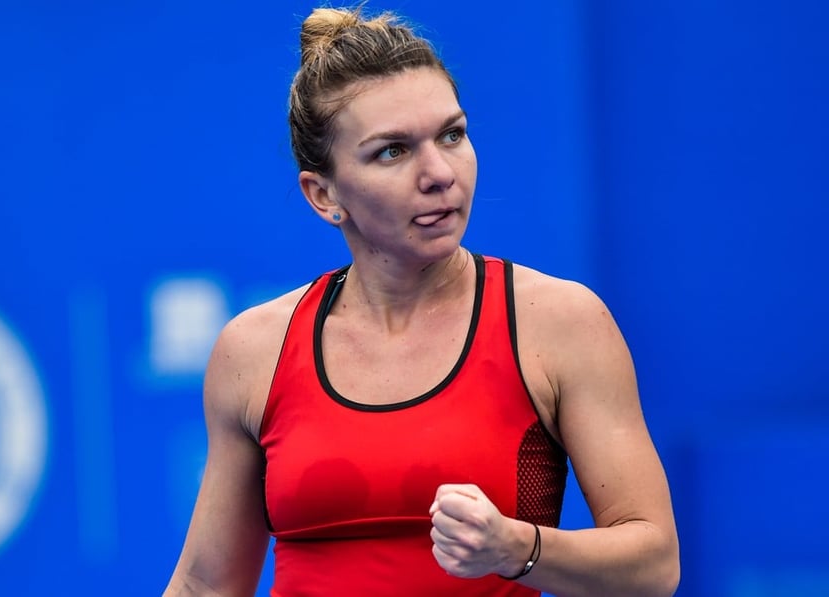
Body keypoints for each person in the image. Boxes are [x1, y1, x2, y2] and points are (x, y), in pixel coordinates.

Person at [164, 6, 679, 597]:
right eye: (393, 151)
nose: (439, 173)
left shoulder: (559, 323)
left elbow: (654, 566)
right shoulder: (254, 349)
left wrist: (516, 548)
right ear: (324, 194)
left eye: (452, 135)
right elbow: (206, 585)